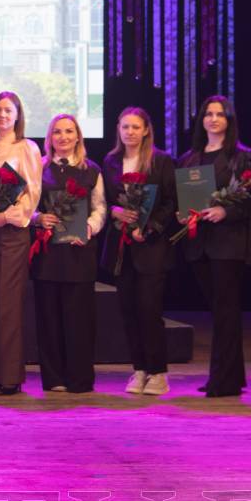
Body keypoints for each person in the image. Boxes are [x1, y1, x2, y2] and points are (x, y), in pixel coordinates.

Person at [177, 95, 251, 397]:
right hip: (199, 244)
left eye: (220, 114)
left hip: (228, 243)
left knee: (226, 311)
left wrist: (226, 211)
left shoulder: (243, 157)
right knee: (219, 311)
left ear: (229, 120)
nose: (213, 119)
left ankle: (222, 380)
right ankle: (232, 377)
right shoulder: (189, 158)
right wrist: (182, 215)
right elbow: (182, 199)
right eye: (208, 114)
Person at [101, 107, 178, 395]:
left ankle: (158, 372)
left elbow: (170, 202)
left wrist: (149, 227)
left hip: (151, 248)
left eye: (135, 127)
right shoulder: (111, 161)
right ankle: (139, 369)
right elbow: (106, 200)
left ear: (146, 130)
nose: (130, 132)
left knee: (149, 311)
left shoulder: (161, 161)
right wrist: (115, 211)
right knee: (129, 311)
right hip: (122, 249)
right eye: (125, 127)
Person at [30, 113, 107, 393]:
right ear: (50, 138)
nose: (63, 137)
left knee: (79, 320)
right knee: (48, 319)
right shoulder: (37, 168)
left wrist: (90, 226)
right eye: (57, 132)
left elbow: (100, 207)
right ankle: (54, 379)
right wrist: (38, 218)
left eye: (69, 131)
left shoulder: (91, 170)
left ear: (78, 137)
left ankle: (80, 379)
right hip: (47, 254)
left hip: (79, 254)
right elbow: (27, 206)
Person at [0, 91, 42, 395]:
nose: (2, 115)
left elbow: (33, 193)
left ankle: (12, 376)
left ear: (17, 115)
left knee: (8, 303)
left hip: (12, 232)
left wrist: (7, 216)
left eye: (8, 110)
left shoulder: (27, 147)